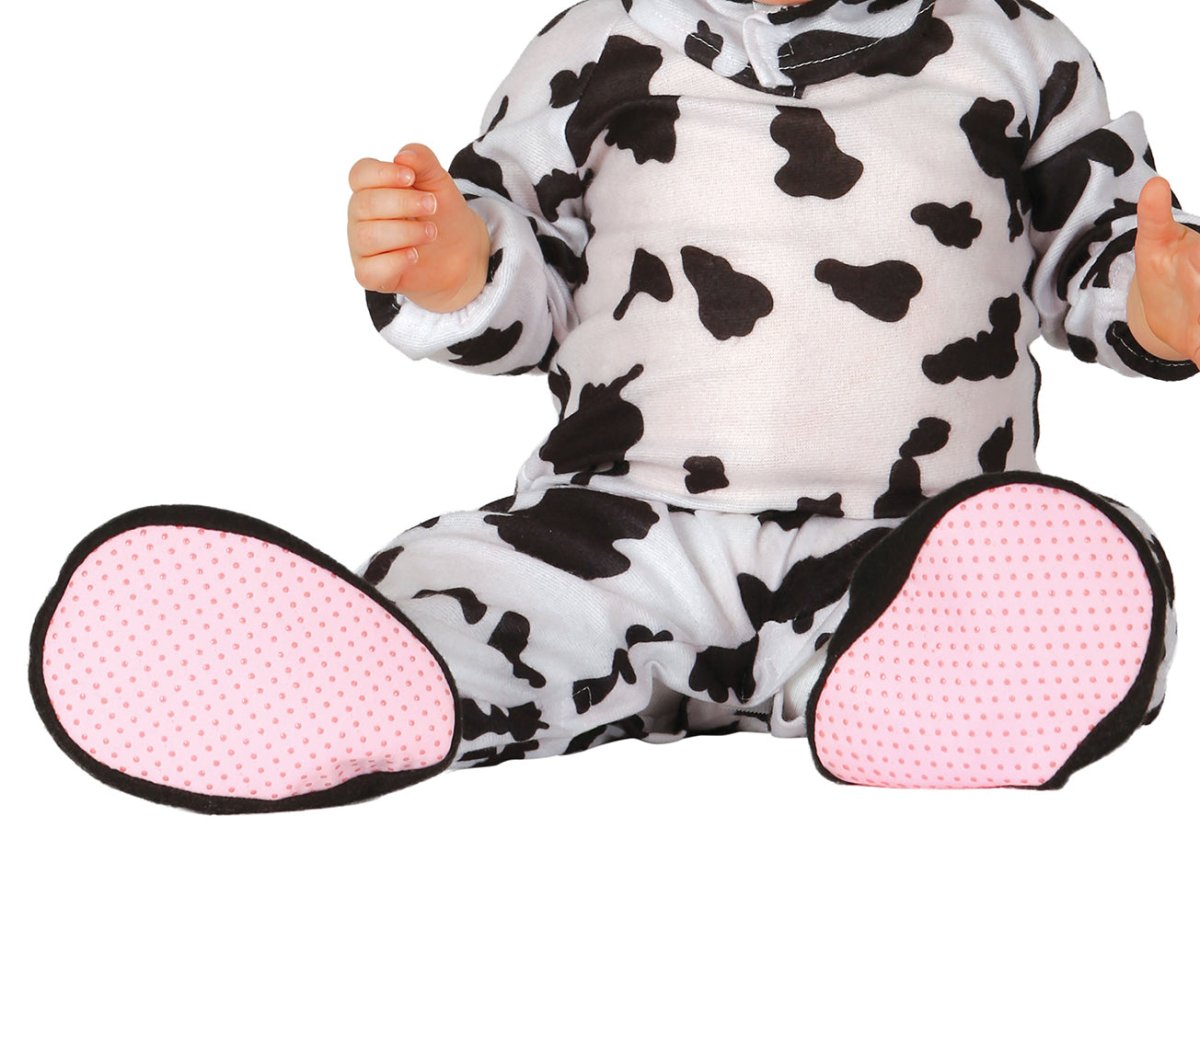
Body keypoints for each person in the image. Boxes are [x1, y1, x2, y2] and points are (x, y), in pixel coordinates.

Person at [29, 0, 1199, 812]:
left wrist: (1159, 303)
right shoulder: (594, 50)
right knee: (467, 580)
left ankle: (949, 682)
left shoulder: (1012, 54)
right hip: (614, 537)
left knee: (1074, 564)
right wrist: (454, 265)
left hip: (902, 550)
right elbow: (525, 276)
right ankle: (361, 679)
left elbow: (1097, 250)